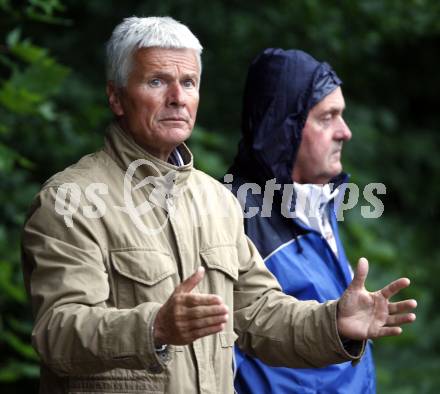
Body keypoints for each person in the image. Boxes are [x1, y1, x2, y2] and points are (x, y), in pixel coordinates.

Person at [21, 18, 416, 394]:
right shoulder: (70, 199)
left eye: (188, 82)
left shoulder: (218, 199)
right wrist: (153, 328)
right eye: (157, 81)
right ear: (116, 97)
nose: (177, 97)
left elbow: (260, 313)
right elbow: (56, 332)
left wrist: (334, 324)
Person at [228, 48, 382, 393]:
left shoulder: (318, 199)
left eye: (341, 116)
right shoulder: (233, 217)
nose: (345, 132)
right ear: (284, 127)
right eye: (327, 117)